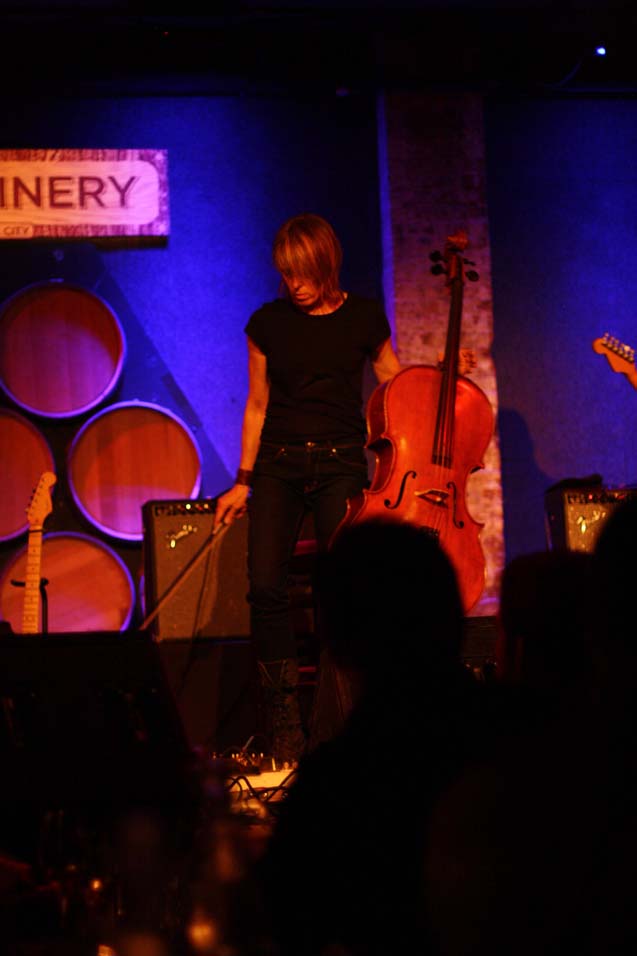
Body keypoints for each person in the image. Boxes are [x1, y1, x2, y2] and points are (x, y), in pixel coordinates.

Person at [214, 212, 476, 766]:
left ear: (325, 266)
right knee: (264, 587)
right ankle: (283, 734)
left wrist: (446, 372)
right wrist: (242, 481)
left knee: (345, 591)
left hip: (339, 464)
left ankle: (335, 731)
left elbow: (398, 385)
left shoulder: (362, 317)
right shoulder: (266, 323)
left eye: (303, 273)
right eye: (287, 275)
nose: (295, 285)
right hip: (278, 465)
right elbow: (257, 406)